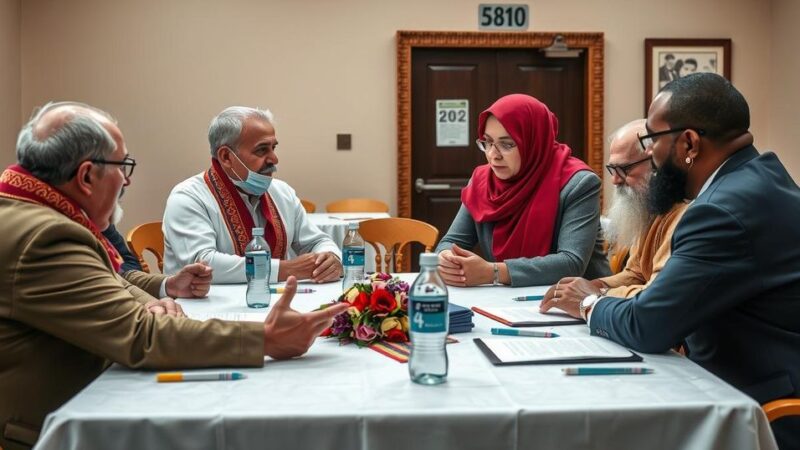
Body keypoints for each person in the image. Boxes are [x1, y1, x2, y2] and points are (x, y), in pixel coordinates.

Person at [0, 102, 349, 450]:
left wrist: (161, 290)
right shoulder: (47, 236)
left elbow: (114, 277)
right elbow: (142, 335)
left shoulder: (34, 212)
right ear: (87, 176)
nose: (128, 179)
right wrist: (266, 338)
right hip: (54, 427)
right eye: (123, 165)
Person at [541, 73, 800, 448]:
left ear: (689, 143)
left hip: (757, 404)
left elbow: (648, 323)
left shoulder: (720, 212)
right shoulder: (760, 178)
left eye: (651, 139)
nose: (651, 156)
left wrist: (587, 303)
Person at [435, 94, 609, 287]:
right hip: (506, 302)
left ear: (533, 142)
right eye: (487, 142)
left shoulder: (579, 183)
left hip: (578, 304)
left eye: (507, 144)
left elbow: (571, 263)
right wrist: (447, 259)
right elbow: (451, 242)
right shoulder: (482, 181)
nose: (493, 155)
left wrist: (492, 272)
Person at [163, 106, 342, 284]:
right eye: (262, 150)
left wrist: (330, 258)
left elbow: (315, 241)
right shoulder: (188, 197)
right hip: (200, 309)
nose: (274, 159)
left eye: (273, 148)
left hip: (274, 301)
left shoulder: (281, 191)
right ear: (226, 157)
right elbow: (202, 263)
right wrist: (285, 269)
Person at [548, 119, 688, 299]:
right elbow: (635, 274)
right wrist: (592, 285)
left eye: (623, 169)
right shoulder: (649, 206)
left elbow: (655, 294)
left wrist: (597, 294)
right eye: (612, 169)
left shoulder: (684, 213)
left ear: (655, 160)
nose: (615, 180)